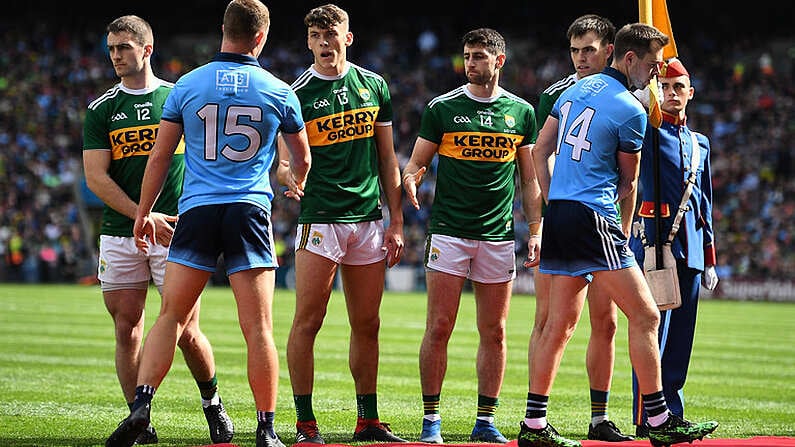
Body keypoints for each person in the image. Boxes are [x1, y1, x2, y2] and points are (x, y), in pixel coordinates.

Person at [104, 2, 311, 447]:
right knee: (258, 329)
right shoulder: (279, 91)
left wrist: (142, 214)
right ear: (261, 37)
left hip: (197, 210)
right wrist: (294, 180)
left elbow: (160, 157)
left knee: (171, 316)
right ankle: (266, 428)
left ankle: (141, 405)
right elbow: (303, 157)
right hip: (249, 212)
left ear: (223, 30)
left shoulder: (187, 85)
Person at [518, 23, 719, 447]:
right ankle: (661, 420)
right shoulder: (631, 108)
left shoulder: (572, 91)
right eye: (650, 65)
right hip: (595, 217)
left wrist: (557, 201)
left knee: (559, 325)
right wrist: (611, 214)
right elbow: (629, 182)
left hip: (562, 215)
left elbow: (540, 151)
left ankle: (533, 425)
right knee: (646, 316)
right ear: (629, 59)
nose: (653, 74)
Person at [82, 14, 233, 445]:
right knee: (127, 327)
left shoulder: (180, 97)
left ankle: (213, 405)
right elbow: (96, 177)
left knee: (185, 330)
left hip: (178, 230)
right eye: (111, 48)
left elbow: (208, 160)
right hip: (122, 231)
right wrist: (140, 215)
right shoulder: (102, 109)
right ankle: (139, 420)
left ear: (147, 49)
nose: (116, 56)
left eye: (124, 47)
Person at [402, 27, 538, 445]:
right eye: (467, 56)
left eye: (479, 56)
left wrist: (535, 229)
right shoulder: (442, 109)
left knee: (494, 331)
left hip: (497, 236)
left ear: (499, 60)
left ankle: (486, 421)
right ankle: (431, 422)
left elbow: (529, 180)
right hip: (449, 232)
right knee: (439, 326)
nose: (470, 63)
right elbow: (416, 162)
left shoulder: (522, 113)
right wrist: (411, 178)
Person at [279, 4, 406, 444]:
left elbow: (388, 158)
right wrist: (286, 176)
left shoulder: (373, 85)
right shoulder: (295, 93)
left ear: (347, 38)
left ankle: (367, 420)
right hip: (320, 219)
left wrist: (397, 222)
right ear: (308, 41)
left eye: (330, 34)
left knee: (367, 323)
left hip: (369, 220)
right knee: (308, 321)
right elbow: (282, 160)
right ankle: (304, 424)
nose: (323, 42)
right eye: (315, 35)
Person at [529, 14, 633, 442]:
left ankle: (599, 419)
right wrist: (545, 215)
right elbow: (538, 158)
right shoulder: (555, 95)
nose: (579, 59)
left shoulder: (624, 96)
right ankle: (535, 416)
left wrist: (623, 226)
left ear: (609, 50)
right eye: (574, 50)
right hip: (567, 221)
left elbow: (629, 171)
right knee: (551, 322)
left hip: (601, 222)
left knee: (605, 323)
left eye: (588, 50)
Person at [628, 58, 718, 437]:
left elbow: (705, 204)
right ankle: (647, 416)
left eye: (678, 87)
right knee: (653, 333)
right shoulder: (648, 132)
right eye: (663, 87)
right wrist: (638, 99)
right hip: (655, 246)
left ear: (690, 93)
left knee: (681, 338)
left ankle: (672, 412)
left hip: (691, 249)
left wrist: (711, 258)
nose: (671, 94)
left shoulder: (701, 144)